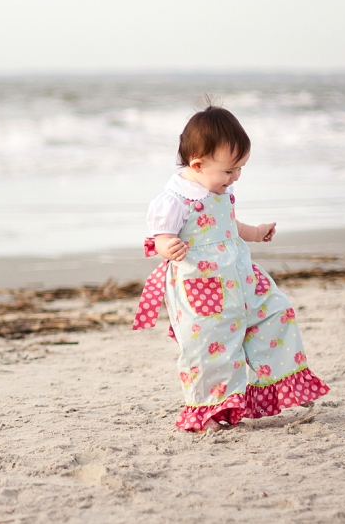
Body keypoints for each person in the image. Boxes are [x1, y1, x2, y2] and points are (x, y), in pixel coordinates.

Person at [133, 104, 329, 432]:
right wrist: (169, 246)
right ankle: (210, 408)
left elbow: (227, 223)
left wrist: (255, 233)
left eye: (240, 168)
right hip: (201, 286)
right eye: (230, 170)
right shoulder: (174, 201)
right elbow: (160, 239)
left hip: (241, 276)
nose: (235, 176)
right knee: (211, 348)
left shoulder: (218, 187)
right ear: (198, 164)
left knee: (277, 312)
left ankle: (282, 381)